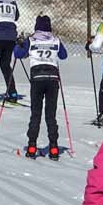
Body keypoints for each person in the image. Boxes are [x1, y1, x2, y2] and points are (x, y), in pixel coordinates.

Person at [13, 15, 67, 159]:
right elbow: (64, 55)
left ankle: (32, 146)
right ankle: (54, 147)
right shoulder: (56, 40)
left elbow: (18, 54)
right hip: (52, 80)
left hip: (37, 79)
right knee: (51, 115)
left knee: (35, 114)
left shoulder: (31, 40)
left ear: (36, 27)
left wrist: (19, 44)